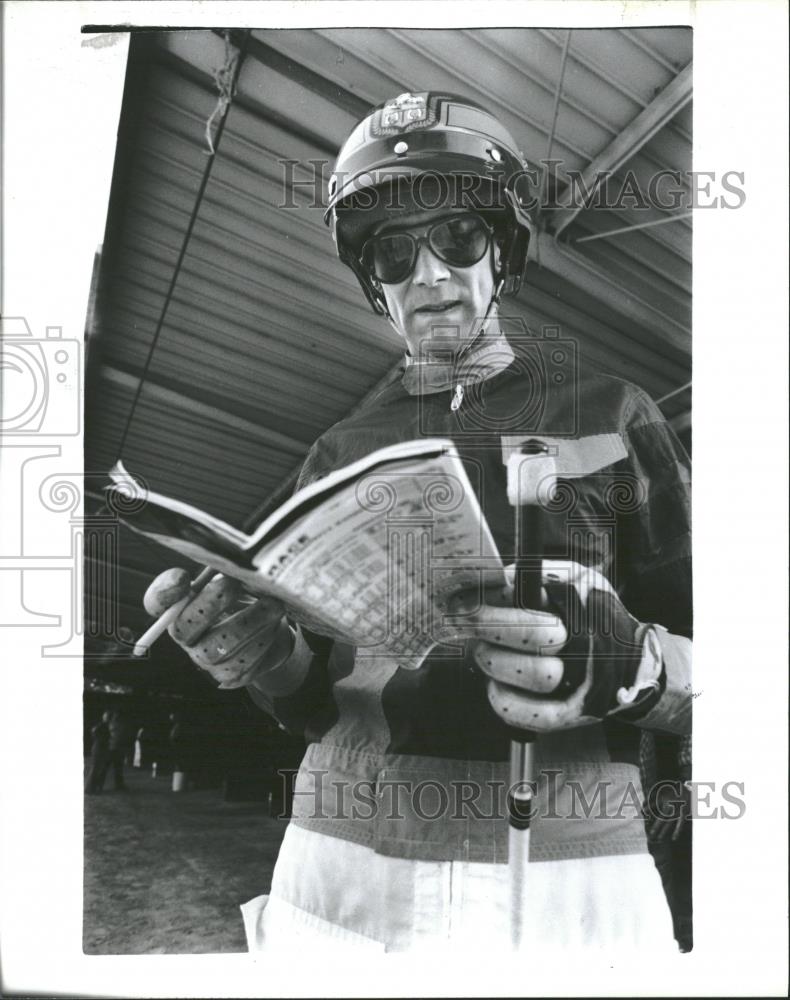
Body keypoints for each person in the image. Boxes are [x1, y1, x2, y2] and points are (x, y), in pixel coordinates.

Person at [143, 92, 692, 953]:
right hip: (337, 882)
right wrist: (260, 656)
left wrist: (639, 667)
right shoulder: (338, 449)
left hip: (568, 890)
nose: (430, 274)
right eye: (395, 254)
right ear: (375, 283)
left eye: (459, 239)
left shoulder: (615, 414)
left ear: (502, 251)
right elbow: (314, 696)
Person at [85, 709, 112, 794]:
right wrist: (100, 740)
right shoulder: (102, 726)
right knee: (96, 769)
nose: (108, 719)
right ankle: (89, 789)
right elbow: (94, 731)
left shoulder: (105, 726)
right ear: (104, 718)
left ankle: (95, 788)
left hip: (101, 749)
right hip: (99, 749)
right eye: (107, 717)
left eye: (109, 717)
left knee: (99, 769)